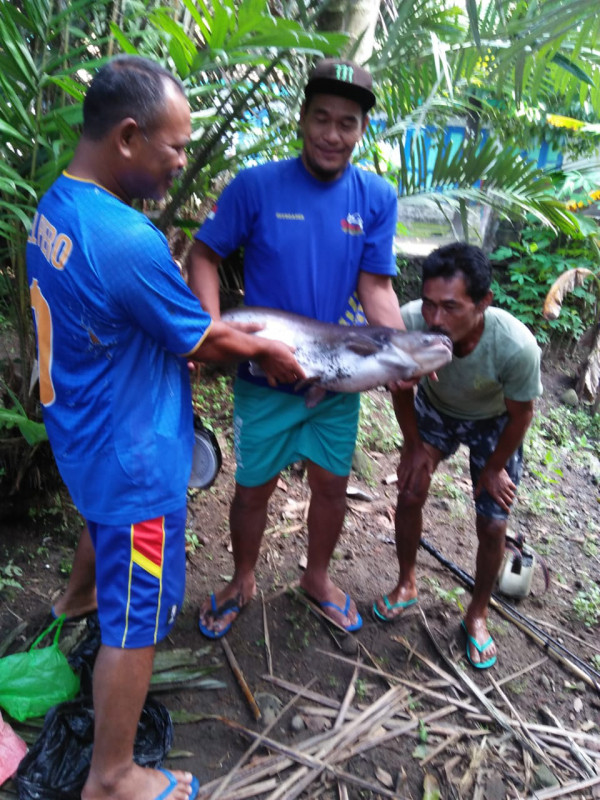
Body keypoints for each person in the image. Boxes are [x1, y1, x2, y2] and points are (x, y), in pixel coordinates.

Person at [26, 55, 303, 800]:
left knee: (101, 529)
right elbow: (204, 341)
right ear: (127, 137)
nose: (182, 161)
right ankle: (113, 775)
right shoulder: (125, 239)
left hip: (82, 430)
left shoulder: (58, 206)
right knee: (142, 618)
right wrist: (269, 351)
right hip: (133, 460)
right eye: (175, 146)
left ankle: (74, 601)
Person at [187, 58, 409, 637]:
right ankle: (242, 579)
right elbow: (204, 253)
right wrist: (210, 331)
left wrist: (401, 354)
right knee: (252, 488)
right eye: (322, 118)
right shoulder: (256, 186)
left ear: (362, 130)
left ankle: (316, 576)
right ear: (302, 118)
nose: (332, 134)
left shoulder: (375, 197)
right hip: (263, 376)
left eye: (347, 123)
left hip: (335, 377)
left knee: (331, 486)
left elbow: (376, 288)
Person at [373, 243, 542, 669]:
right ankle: (406, 583)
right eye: (429, 303)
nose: (435, 318)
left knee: (493, 523)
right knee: (410, 490)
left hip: (494, 421)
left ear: (483, 302)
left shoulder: (516, 346)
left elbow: (522, 414)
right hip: (436, 411)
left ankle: (477, 614)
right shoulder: (409, 322)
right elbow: (403, 390)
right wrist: (414, 447)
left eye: (451, 307)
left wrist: (495, 467)